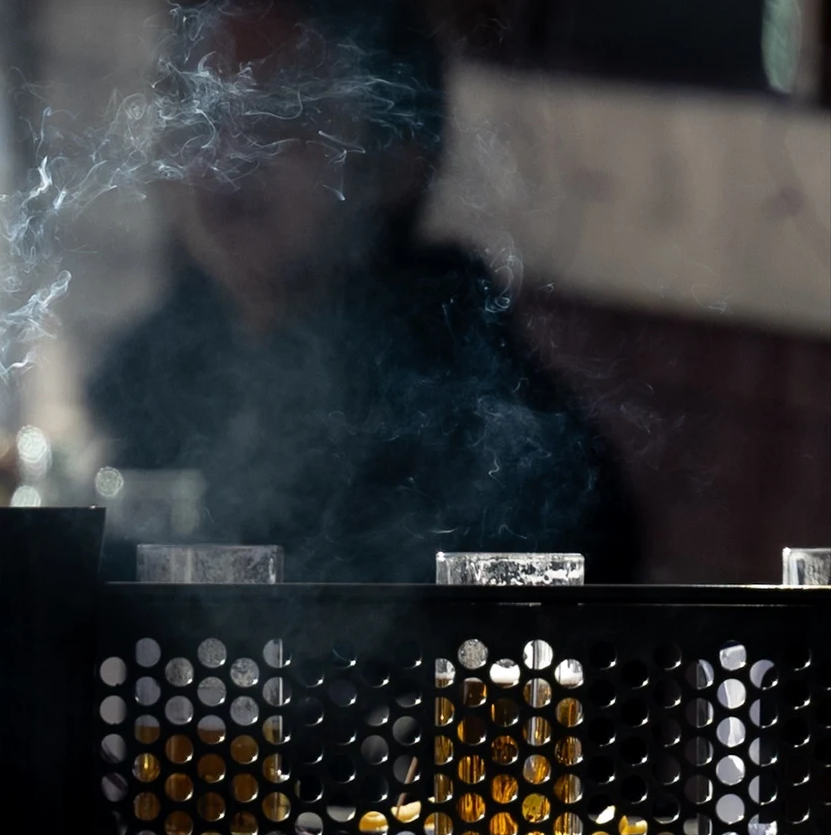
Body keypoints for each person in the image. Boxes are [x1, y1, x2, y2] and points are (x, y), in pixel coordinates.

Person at [89, 0, 640, 583]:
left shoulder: (465, 405)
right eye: (204, 111)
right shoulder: (161, 376)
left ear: (396, 162)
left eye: (284, 113)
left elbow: (557, 584)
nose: (230, 154)